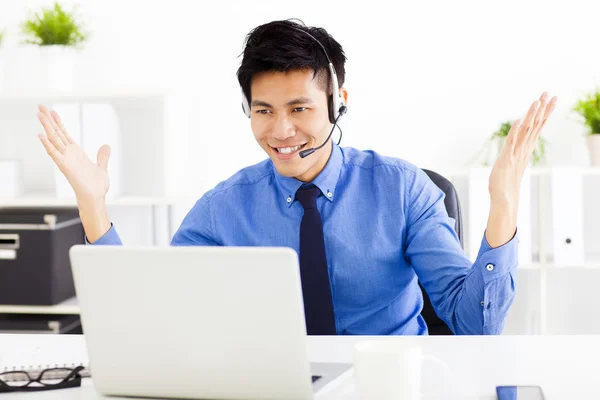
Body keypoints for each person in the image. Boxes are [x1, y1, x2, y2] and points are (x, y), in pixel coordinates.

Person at [35, 19, 557, 335]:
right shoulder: (224, 208)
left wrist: (504, 207)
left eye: (300, 108)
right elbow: (151, 316)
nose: (281, 131)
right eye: (262, 111)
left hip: (385, 382)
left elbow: (476, 326)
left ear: (339, 104)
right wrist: (94, 207)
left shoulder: (403, 190)